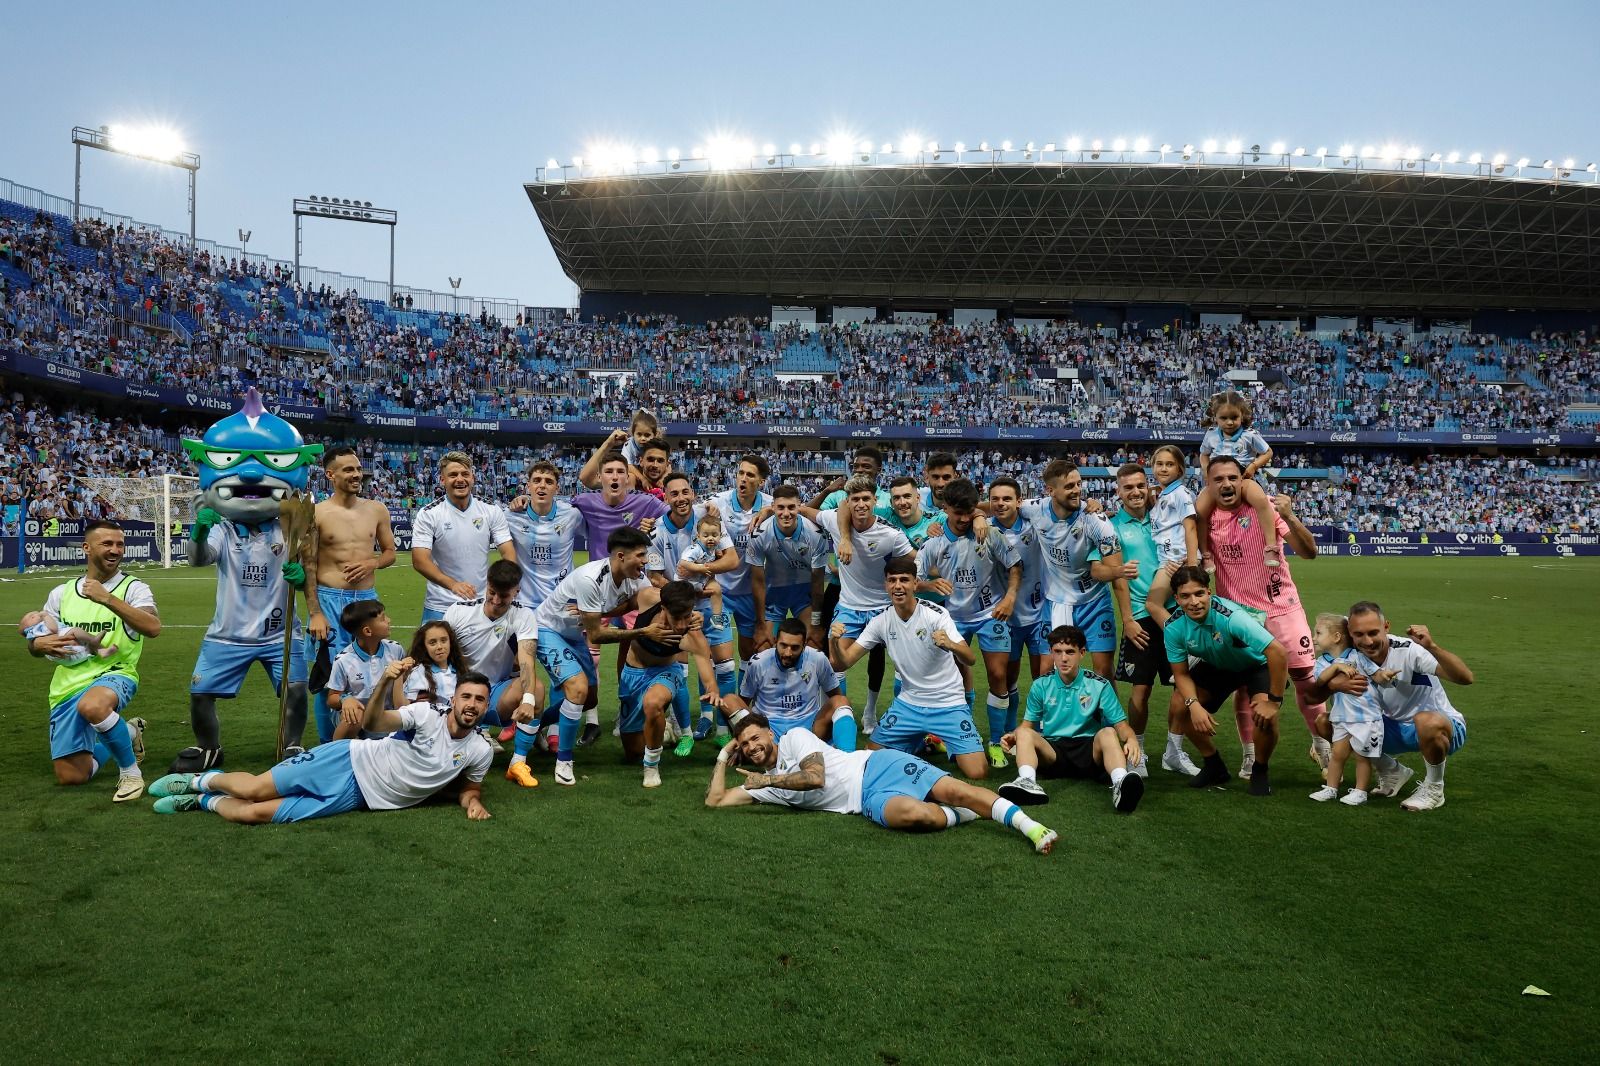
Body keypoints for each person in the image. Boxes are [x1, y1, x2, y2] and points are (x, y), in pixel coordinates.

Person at [149, 666, 496, 824]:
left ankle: (201, 802)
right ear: (454, 699)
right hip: (346, 759)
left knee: (254, 814)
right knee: (256, 789)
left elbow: (470, 789)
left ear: (485, 707)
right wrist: (385, 684)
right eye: (466, 696)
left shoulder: (480, 750)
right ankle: (197, 781)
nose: (472, 705)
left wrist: (472, 804)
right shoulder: (425, 714)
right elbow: (374, 723)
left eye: (480, 700)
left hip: (359, 797)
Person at [704, 712, 1057, 854]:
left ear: (769, 732)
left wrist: (767, 779)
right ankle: (973, 814)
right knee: (917, 816)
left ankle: (1031, 828)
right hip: (865, 803)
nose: (752, 747)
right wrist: (725, 755)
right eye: (745, 744)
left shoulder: (795, 738)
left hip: (876, 766)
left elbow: (815, 778)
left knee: (955, 790)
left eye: (754, 737)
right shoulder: (761, 784)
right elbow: (715, 801)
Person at [1203, 456, 1331, 776]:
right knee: (1247, 688)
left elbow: (1309, 551)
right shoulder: (1206, 519)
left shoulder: (1265, 509)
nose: (1227, 484)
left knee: (1306, 679)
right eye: (1218, 479)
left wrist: (1290, 515)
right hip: (1240, 617)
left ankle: (1323, 747)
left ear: (1243, 481)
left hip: (1282, 608)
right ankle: (1250, 755)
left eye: (1233, 477)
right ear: (1209, 484)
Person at [25, 520, 159, 801]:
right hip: (66, 686)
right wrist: (38, 644)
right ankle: (129, 731)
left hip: (115, 672)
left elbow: (153, 627)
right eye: (107, 544)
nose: (115, 550)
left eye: (120, 544)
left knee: (93, 705)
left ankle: (131, 774)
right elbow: (36, 640)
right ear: (87, 548)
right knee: (72, 776)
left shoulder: (134, 588)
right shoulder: (61, 593)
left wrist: (108, 599)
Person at [531, 527, 666, 787]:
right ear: (620, 556)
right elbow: (597, 635)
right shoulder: (589, 578)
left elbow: (637, 602)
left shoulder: (638, 578)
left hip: (574, 633)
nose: (645, 561)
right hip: (549, 629)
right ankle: (564, 762)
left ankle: (536, 725)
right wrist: (642, 632)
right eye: (640, 555)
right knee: (578, 690)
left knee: (589, 698)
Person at [831, 555, 988, 779]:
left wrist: (950, 644)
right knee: (871, 756)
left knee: (977, 772)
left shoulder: (936, 614)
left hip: (947, 703)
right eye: (892, 580)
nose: (898, 586)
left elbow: (970, 658)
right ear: (885, 585)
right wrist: (835, 643)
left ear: (915, 584)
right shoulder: (881, 621)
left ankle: (938, 742)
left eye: (904, 580)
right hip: (908, 705)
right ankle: (921, 742)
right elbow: (845, 661)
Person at [1306, 602, 1473, 812]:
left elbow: (1466, 678)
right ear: (1350, 634)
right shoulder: (1349, 656)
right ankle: (1392, 771)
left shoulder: (1409, 651)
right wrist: (1334, 683)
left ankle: (1434, 788)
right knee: (1326, 723)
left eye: (1373, 633)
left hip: (1439, 727)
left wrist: (1432, 647)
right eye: (1359, 635)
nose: (1367, 641)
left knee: (1427, 721)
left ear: (1386, 627)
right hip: (1388, 727)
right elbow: (1310, 698)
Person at [1146, 564, 1289, 796]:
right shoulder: (1174, 627)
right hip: (1219, 665)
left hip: (1255, 665)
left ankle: (1260, 769)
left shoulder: (1232, 617)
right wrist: (1194, 706)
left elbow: (1277, 652)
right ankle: (1214, 766)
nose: (1194, 602)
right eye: (1185, 596)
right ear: (1176, 599)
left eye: (1199, 593)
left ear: (1209, 593)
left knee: (1264, 717)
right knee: (1180, 706)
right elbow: (1180, 673)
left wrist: (1274, 701)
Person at [916, 477, 1020, 768]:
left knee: (998, 675)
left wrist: (1010, 597)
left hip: (990, 615)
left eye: (969, 511)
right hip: (953, 619)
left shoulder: (991, 534)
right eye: (957, 512)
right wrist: (929, 585)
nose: (963, 519)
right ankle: (962, 735)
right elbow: (912, 579)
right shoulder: (934, 541)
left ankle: (996, 741)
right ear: (945, 508)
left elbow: (1015, 566)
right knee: (955, 680)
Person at [1107, 461, 1197, 777]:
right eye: (1127, 487)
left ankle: (1174, 752)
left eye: (1140, 485)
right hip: (1142, 619)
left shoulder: (1164, 516)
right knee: (1140, 691)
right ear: (1118, 492)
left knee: (1182, 688)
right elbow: (1117, 579)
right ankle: (1138, 751)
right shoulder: (1113, 527)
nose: (1135, 492)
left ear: (1148, 487)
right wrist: (1128, 620)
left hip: (1176, 615)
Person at [996, 625, 1145, 814]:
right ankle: (1027, 781)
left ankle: (1120, 784)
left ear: (1082, 653)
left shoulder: (1099, 685)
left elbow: (1122, 725)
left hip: (1089, 752)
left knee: (1108, 732)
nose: (1063, 658)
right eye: (1057, 652)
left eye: (1070, 652)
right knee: (1024, 733)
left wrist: (1131, 739)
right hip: (1054, 753)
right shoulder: (1041, 685)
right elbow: (1026, 726)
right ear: (1051, 652)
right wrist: (1013, 735)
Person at [306, 445, 396, 749]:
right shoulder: (316, 513)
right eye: (348, 469)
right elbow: (308, 566)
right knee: (327, 676)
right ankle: (326, 745)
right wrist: (315, 612)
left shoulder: (376, 509)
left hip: (366, 600)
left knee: (374, 668)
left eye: (358, 469)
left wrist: (372, 563)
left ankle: (372, 736)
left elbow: (390, 553)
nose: (357, 474)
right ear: (330, 474)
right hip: (329, 600)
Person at [811, 476, 916, 726]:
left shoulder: (890, 535)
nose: (861, 504)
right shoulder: (834, 521)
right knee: (835, 662)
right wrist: (771, 509)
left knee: (905, 663)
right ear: (847, 502)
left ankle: (888, 716)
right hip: (849, 607)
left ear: (874, 500)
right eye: (855, 499)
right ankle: (840, 715)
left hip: (883, 609)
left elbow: (916, 560)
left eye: (866, 498)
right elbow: (806, 510)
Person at [1013, 460, 1130, 680]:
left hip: (1094, 601)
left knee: (1103, 672)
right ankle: (1050, 715)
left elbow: (1116, 572)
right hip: (1056, 600)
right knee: (1046, 671)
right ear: (1050, 491)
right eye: (1069, 486)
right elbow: (1003, 506)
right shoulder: (1035, 509)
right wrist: (979, 517)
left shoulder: (1097, 521)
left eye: (1078, 484)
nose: (1077, 490)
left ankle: (1106, 716)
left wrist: (1128, 619)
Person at [442, 560, 544, 787]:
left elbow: (527, 661)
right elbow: (438, 658)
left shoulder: (523, 615)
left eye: (504, 596)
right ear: (486, 584)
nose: (496, 601)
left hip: (497, 694)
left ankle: (517, 763)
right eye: (492, 593)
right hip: (460, 692)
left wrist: (527, 700)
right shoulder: (459, 611)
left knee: (535, 689)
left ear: (517, 591)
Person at [617, 580, 727, 788]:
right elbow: (626, 605)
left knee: (653, 703)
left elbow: (704, 662)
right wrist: (597, 615)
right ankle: (663, 731)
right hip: (633, 673)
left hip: (666, 671)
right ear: (663, 607)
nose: (682, 625)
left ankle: (651, 766)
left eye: (687, 616)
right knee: (632, 752)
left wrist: (712, 689)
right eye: (677, 618)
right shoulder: (648, 598)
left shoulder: (692, 632)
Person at [410, 451, 515, 623]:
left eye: (465, 474)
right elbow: (420, 560)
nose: (460, 479)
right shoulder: (429, 513)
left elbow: (508, 552)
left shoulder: (490, 510)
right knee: (432, 650)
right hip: (440, 606)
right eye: (453, 475)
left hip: (480, 605)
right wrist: (453, 585)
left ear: (472, 478)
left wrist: (502, 583)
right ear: (442, 480)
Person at [723, 619, 856, 749]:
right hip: (767, 732)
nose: (788, 653)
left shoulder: (818, 659)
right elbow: (743, 702)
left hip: (810, 730)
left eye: (795, 648)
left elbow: (836, 696)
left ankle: (847, 758)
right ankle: (754, 747)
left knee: (841, 701)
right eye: (783, 645)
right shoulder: (758, 663)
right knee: (729, 700)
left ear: (804, 645)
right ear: (775, 642)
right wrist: (742, 737)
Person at [987, 476, 1048, 741]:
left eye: (1007, 499)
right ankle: (1010, 730)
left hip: (1039, 613)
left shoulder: (1035, 524)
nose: (1001, 504)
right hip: (1005, 616)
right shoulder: (986, 530)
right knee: (1008, 678)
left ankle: (1041, 729)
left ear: (1019, 502)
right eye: (995, 499)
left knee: (1042, 677)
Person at [1308, 613, 1389, 806]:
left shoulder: (1358, 657)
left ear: (1336, 637)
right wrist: (1337, 668)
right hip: (1341, 717)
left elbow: (1375, 674)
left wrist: (1386, 675)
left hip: (1366, 718)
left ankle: (1360, 792)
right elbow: (1319, 681)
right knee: (1337, 754)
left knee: (1363, 756)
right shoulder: (1322, 662)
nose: (1313, 637)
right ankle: (1331, 788)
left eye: (1318, 633)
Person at [1195, 391, 1281, 569]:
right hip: (1217, 479)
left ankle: (1271, 547)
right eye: (1223, 418)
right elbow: (1204, 455)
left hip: (1242, 476)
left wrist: (1254, 466)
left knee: (1261, 500)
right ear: (1215, 417)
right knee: (1200, 511)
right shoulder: (1211, 435)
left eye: (1234, 417)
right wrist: (1205, 469)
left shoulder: (1249, 434)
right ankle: (1205, 554)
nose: (1229, 422)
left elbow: (1268, 452)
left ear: (1242, 415)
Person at [707, 453, 774, 677]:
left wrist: (770, 511)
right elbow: (689, 511)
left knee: (749, 651)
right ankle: (714, 709)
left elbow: (796, 508)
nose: (743, 479)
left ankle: (744, 705)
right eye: (741, 473)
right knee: (720, 656)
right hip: (722, 591)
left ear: (761, 482)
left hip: (750, 592)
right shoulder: (718, 502)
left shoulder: (770, 504)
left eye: (750, 475)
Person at [744, 483, 829, 649]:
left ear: (799, 506)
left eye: (791, 507)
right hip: (774, 594)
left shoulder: (816, 534)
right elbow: (757, 582)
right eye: (780, 508)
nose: (786, 513)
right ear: (773, 507)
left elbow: (818, 583)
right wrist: (761, 625)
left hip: (804, 594)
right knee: (763, 647)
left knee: (813, 645)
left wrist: (817, 624)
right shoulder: (759, 534)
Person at [503, 460, 581, 617]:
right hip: (525, 604)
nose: (542, 485)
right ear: (528, 486)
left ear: (557, 488)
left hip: (563, 602)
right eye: (536, 480)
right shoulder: (510, 516)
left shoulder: (572, 515)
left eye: (549, 482)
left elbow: (598, 533)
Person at [326, 599, 406, 741]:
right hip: (358, 718)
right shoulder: (343, 660)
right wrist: (345, 699)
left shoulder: (395, 649)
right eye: (382, 618)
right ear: (368, 631)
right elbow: (332, 698)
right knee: (355, 714)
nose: (389, 620)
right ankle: (343, 752)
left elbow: (404, 684)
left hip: (385, 715)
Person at [395, 620, 466, 712]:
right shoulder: (418, 673)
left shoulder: (461, 669)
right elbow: (402, 708)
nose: (439, 646)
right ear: (424, 646)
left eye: (444, 640)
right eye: (432, 643)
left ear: (450, 642)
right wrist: (398, 677)